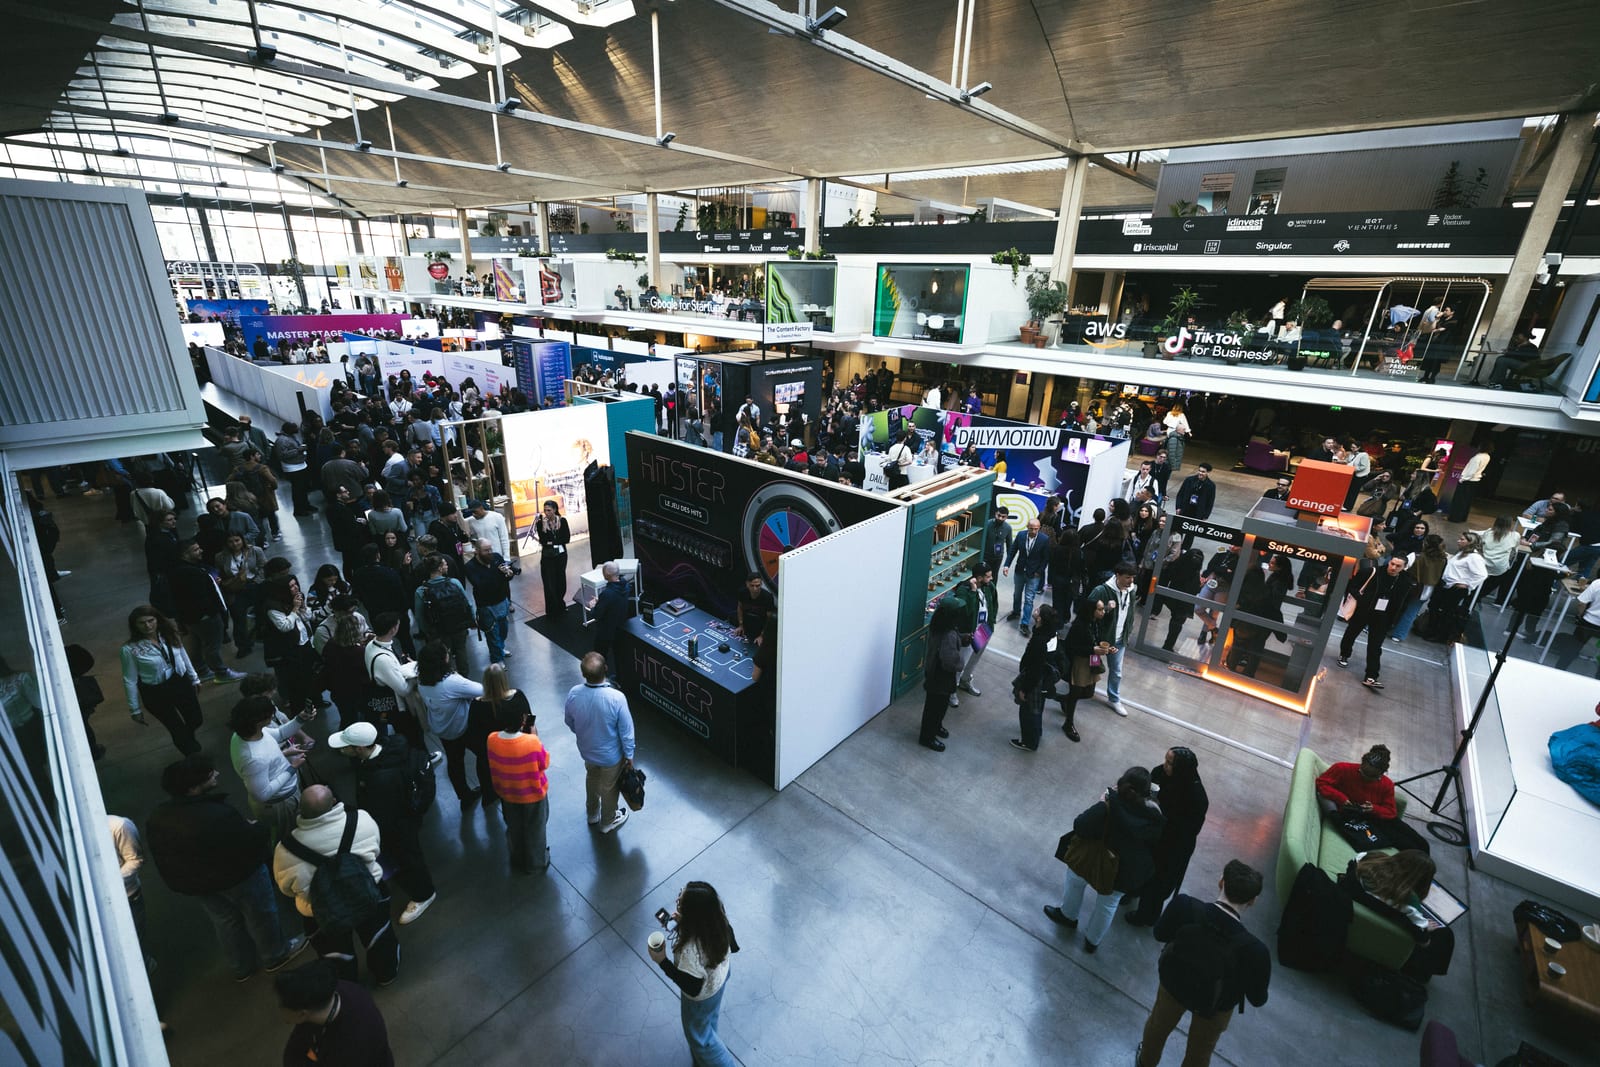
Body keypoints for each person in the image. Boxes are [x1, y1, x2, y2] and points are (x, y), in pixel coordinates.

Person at [145, 754, 307, 981]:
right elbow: (251, 840)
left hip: (199, 884)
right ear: (193, 788)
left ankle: (241, 966)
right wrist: (254, 828)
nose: (217, 774)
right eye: (210, 775)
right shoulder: (217, 815)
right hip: (240, 876)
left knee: (225, 922)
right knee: (261, 916)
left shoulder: (159, 816)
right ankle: (275, 955)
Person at [1134, 860, 1271, 1067]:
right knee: (1200, 1051)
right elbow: (1257, 999)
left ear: (1221, 882)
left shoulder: (1184, 906)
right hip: (1216, 1006)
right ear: (1252, 901)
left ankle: (1145, 1062)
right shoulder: (1255, 950)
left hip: (1174, 984)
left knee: (1158, 1027)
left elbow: (1159, 933)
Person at [273, 785, 400, 986]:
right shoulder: (361, 820)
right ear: (333, 802)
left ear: (300, 811)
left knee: (335, 954)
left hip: (320, 912)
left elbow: (286, 888)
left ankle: (348, 987)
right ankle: (386, 974)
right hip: (369, 895)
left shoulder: (285, 849)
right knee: (380, 938)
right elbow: (376, 850)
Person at [326, 720, 437, 925]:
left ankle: (424, 894)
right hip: (403, 814)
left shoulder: (381, 778)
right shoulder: (388, 750)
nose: (342, 750)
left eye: (345, 746)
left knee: (409, 856)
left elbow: (385, 814)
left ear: (359, 749)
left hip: (398, 824)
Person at [1044, 766, 1165, 952]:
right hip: (1124, 872)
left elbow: (1080, 825)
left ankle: (1068, 915)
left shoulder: (1108, 805)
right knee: (1108, 905)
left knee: (1075, 882)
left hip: (1091, 860)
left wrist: (1101, 802)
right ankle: (1092, 941)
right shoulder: (1154, 817)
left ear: (1122, 784)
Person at [647, 881, 740, 1067]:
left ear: (694, 918)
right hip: (720, 978)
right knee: (710, 1018)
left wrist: (662, 961)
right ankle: (710, 1034)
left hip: (702, 996)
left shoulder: (690, 949)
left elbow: (692, 986)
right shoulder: (718, 919)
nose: (677, 900)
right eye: (680, 893)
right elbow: (734, 946)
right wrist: (683, 924)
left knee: (700, 1038)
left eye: (681, 903)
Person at [1126, 747, 1209, 927]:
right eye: (1166, 759)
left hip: (1172, 848)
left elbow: (1189, 829)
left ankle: (1146, 916)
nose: (1165, 765)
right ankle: (1132, 891)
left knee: (1157, 884)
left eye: (1170, 763)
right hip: (1152, 837)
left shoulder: (1196, 797)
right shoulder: (1161, 773)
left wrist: (1162, 815)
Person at [1339, 850, 1455, 978]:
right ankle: (1420, 974)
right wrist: (1426, 927)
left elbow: (1352, 863)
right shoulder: (1407, 900)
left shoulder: (1369, 858)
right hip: (1388, 931)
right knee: (1445, 934)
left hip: (1360, 899)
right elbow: (1424, 942)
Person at [482, 665, 551, 873]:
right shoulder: (531, 742)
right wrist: (533, 735)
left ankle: (517, 857)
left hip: (507, 791)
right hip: (532, 792)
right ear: (521, 720)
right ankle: (537, 862)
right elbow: (544, 763)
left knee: (513, 826)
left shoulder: (491, 738)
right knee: (536, 827)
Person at [416, 641, 496, 808]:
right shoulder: (451, 682)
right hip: (463, 727)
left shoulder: (422, 680)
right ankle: (489, 793)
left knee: (454, 762)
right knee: (483, 755)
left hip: (442, 729)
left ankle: (464, 796)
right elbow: (482, 690)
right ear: (443, 660)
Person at [564, 652, 636, 834]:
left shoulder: (573, 693)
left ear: (583, 674)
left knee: (592, 778)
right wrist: (629, 755)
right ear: (605, 669)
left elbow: (569, 721)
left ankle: (592, 814)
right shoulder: (617, 698)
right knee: (609, 788)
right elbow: (626, 732)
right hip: (611, 757)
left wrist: (584, 734)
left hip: (587, 751)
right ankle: (607, 821)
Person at [275, 958, 394, 1067]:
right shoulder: (331, 991)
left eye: (281, 1006)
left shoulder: (349, 1048)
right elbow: (295, 1048)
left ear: (302, 1014)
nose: (279, 1008)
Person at [120, 604, 205, 755]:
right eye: (142, 623)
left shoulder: (169, 634)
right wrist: (135, 709)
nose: (147, 626)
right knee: (176, 728)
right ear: (134, 626)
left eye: (150, 620)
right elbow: (130, 679)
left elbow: (183, 655)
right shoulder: (129, 649)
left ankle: (188, 739)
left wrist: (194, 678)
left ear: (157, 619)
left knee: (196, 719)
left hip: (180, 681)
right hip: (155, 692)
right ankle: (191, 754)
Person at [1315, 744, 1431, 854]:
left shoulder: (1387, 784)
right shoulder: (1342, 768)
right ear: (1361, 763)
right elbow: (1321, 783)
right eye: (1363, 773)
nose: (1366, 779)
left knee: (1422, 845)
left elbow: (1391, 812)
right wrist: (1341, 798)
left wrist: (1373, 808)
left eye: (1373, 777)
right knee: (1406, 845)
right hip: (1357, 817)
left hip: (1377, 816)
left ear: (1382, 773)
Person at [228, 695, 306, 841]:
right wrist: (292, 768)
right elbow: (262, 794)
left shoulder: (245, 734)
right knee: (286, 837)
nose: (273, 713)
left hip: (284, 797)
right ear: (259, 722)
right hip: (279, 804)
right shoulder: (254, 758)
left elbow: (280, 734)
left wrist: (301, 719)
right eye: (270, 713)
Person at [1337, 555, 1412, 691]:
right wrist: (1362, 600)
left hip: (1383, 616)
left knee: (1375, 646)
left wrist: (1393, 620)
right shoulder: (1372, 572)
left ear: (1404, 567)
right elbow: (1352, 587)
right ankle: (1344, 654)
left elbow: (1402, 602)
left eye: (1398, 566)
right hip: (1364, 611)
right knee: (1351, 633)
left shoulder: (1405, 581)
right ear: (1389, 562)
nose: (1393, 568)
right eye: (1392, 564)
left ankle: (1371, 676)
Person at [1418, 532, 1488, 644]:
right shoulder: (1462, 553)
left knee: (1447, 612)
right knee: (1435, 607)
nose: (1458, 541)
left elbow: (1482, 575)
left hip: (1456, 589)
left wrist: (1467, 584)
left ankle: (1441, 635)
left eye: (1462, 539)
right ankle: (1431, 630)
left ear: (1470, 542)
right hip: (1446, 585)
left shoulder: (1474, 557)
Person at [1087, 563, 1137, 716]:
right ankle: (1086, 689)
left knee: (1116, 671)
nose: (1130, 581)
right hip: (1099, 640)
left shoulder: (1132, 590)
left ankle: (1114, 699)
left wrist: (1128, 631)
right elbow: (1088, 610)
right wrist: (1107, 609)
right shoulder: (1101, 591)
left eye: (1132, 577)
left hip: (1119, 640)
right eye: (1127, 577)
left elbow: (1131, 612)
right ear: (1117, 575)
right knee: (1093, 665)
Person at [413, 554, 474, 669]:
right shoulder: (454, 583)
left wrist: (427, 631)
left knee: (443, 656)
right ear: (440, 568)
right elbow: (468, 603)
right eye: (445, 564)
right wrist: (471, 620)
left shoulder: (421, 591)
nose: (447, 566)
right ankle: (464, 675)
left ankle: (447, 676)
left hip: (438, 631)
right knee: (461, 651)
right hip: (459, 626)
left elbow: (419, 617)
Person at [918, 598, 963, 752]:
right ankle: (927, 737)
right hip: (941, 677)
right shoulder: (948, 634)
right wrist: (960, 664)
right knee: (936, 708)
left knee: (935, 706)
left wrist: (961, 638)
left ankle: (935, 727)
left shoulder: (939, 626)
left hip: (934, 673)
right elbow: (950, 660)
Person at [463, 538, 516, 665]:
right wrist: (499, 575)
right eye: (486, 550)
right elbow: (481, 585)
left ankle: (500, 648)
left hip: (502, 600)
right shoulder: (470, 567)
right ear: (477, 551)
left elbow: (507, 576)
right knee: (492, 635)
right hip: (486, 606)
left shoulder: (496, 557)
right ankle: (497, 659)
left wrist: (509, 574)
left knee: (504, 630)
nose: (490, 552)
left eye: (490, 549)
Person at [949, 561, 997, 700]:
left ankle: (965, 680)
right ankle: (952, 690)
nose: (991, 579)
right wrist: (973, 591)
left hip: (984, 630)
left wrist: (991, 623)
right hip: (969, 633)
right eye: (988, 576)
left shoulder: (990, 587)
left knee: (974, 660)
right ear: (979, 577)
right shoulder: (963, 590)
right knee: (961, 662)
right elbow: (965, 611)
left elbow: (993, 603)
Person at [1387, 534, 1446, 642]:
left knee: (1395, 606)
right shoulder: (1443, 560)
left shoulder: (1416, 556)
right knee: (1411, 612)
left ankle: (1385, 627)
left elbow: (1403, 568)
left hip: (1409, 586)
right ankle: (1399, 635)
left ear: (1425, 544)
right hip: (1427, 590)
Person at [1003, 517, 1051, 634]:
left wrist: (1039, 572)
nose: (1033, 531)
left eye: (1036, 529)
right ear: (1027, 527)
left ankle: (1025, 623)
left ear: (1039, 528)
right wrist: (1006, 565)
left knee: (1029, 599)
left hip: (1034, 574)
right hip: (1020, 571)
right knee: (1017, 594)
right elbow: (1013, 551)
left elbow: (1045, 558)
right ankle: (1016, 612)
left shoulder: (1044, 539)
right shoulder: (1021, 535)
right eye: (1031, 529)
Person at [1153, 548, 1205, 652]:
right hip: (1183, 602)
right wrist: (1201, 585)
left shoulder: (1179, 565)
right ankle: (1168, 646)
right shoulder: (1193, 572)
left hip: (1174, 598)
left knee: (1176, 622)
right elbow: (1194, 588)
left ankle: (1168, 645)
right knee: (1177, 623)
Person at [534, 499, 571, 616]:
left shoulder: (562, 521)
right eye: (545, 510)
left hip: (561, 555)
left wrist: (552, 542)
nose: (546, 513)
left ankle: (561, 604)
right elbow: (543, 541)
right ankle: (552, 610)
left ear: (555, 510)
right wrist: (554, 542)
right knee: (549, 583)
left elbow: (566, 538)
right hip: (547, 557)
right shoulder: (540, 523)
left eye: (549, 510)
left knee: (561, 581)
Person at [1478, 515, 1522, 606]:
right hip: (1499, 568)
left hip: (1482, 564)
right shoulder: (1515, 535)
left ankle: (1475, 595)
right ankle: (1480, 596)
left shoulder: (1488, 532)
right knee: (1507, 573)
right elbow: (1514, 552)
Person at [1447, 442, 1492, 523]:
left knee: (1459, 500)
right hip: (1475, 481)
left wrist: (1462, 479)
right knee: (1467, 501)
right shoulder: (1487, 456)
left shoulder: (1477, 458)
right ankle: (1462, 517)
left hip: (1468, 481)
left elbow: (1471, 471)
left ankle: (1454, 518)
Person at [1174, 465, 1216, 549]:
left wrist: (1205, 515)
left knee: (1191, 533)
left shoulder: (1211, 485)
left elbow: (1210, 502)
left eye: (1203, 472)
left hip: (1197, 512)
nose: (1200, 473)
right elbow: (1180, 494)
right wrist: (1178, 507)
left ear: (1207, 473)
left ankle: (1185, 549)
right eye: (1199, 471)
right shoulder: (1189, 480)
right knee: (1179, 530)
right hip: (1185, 509)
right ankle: (1175, 547)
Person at [733, 571, 776, 640]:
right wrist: (741, 625)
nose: (754, 589)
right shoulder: (742, 592)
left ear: (761, 584)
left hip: (760, 627)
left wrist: (762, 635)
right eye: (752, 585)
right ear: (747, 584)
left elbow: (769, 619)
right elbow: (740, 607)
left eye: (757, 585)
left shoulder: (767, 597)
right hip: (747, 624)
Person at [1162, 402, 1191, 472]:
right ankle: (1173, 464)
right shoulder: (1182, 415)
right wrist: (1188, 431)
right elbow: (1185, 424)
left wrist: (1170, 423)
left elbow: (1164, 422)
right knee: (1175, 448)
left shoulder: (1169, 413)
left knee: (1169, 447)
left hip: (1169, 431)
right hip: (1177, 432)